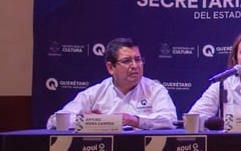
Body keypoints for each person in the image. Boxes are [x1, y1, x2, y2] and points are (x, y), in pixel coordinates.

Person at [46, 37, 177, 129]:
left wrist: (134, 121)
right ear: (110, 68)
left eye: (137, 59)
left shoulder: (155, 90)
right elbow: (53, 121)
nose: (135, 66)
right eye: (127, 61)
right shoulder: (94, 93)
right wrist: (85, 121)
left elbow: (171, 120)